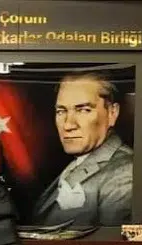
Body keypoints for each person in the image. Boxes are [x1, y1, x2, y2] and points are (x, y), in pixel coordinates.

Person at [31, 72, 133, 228]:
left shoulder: (125, 173)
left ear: (112, 113)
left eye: (83, 110)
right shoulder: (81, 161)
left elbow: (113, 241)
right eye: (61, 111)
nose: (68, 125)